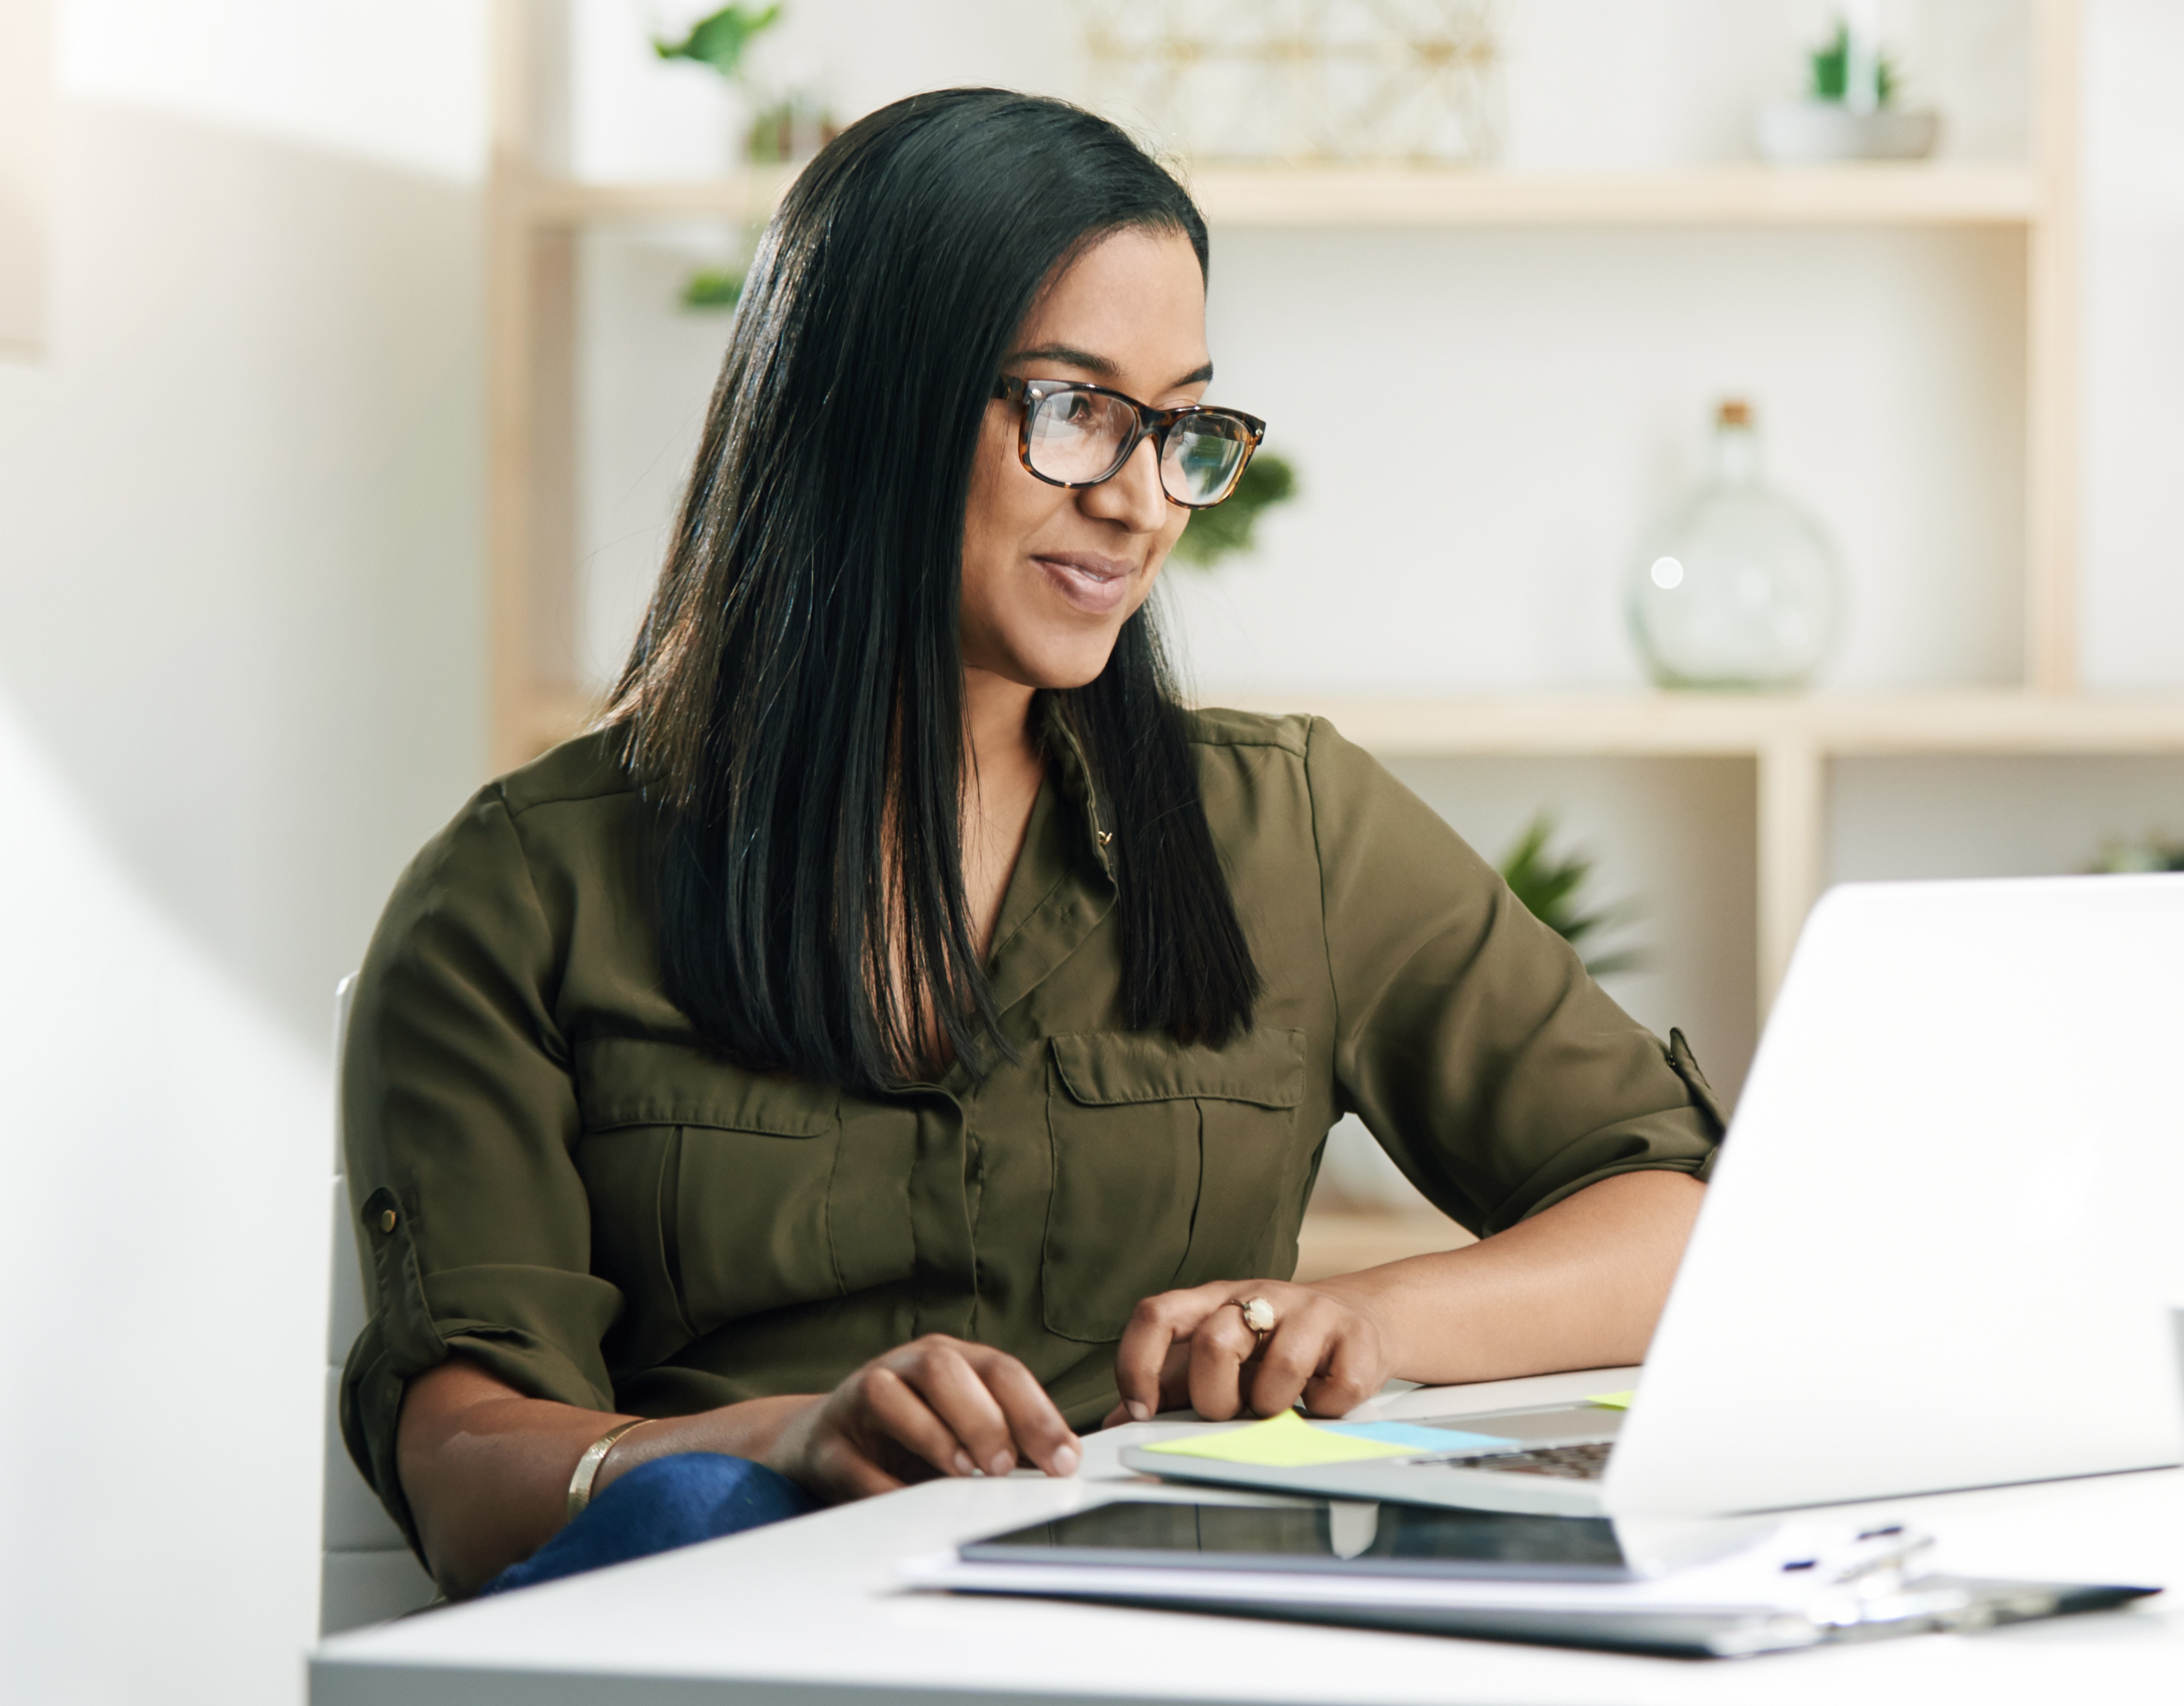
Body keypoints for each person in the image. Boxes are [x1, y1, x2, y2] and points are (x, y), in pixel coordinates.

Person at [337, 87, 1726, 1600]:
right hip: (752, 1641)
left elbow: (1682, 1223)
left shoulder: (1294, 831)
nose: (1140, 503)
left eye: (1181, 428)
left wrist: (1376, 1319)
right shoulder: (522, 896)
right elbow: (462, 1471)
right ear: (872, 399)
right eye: (1074, 412)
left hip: (1168, 1644)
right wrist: (776, 1442)